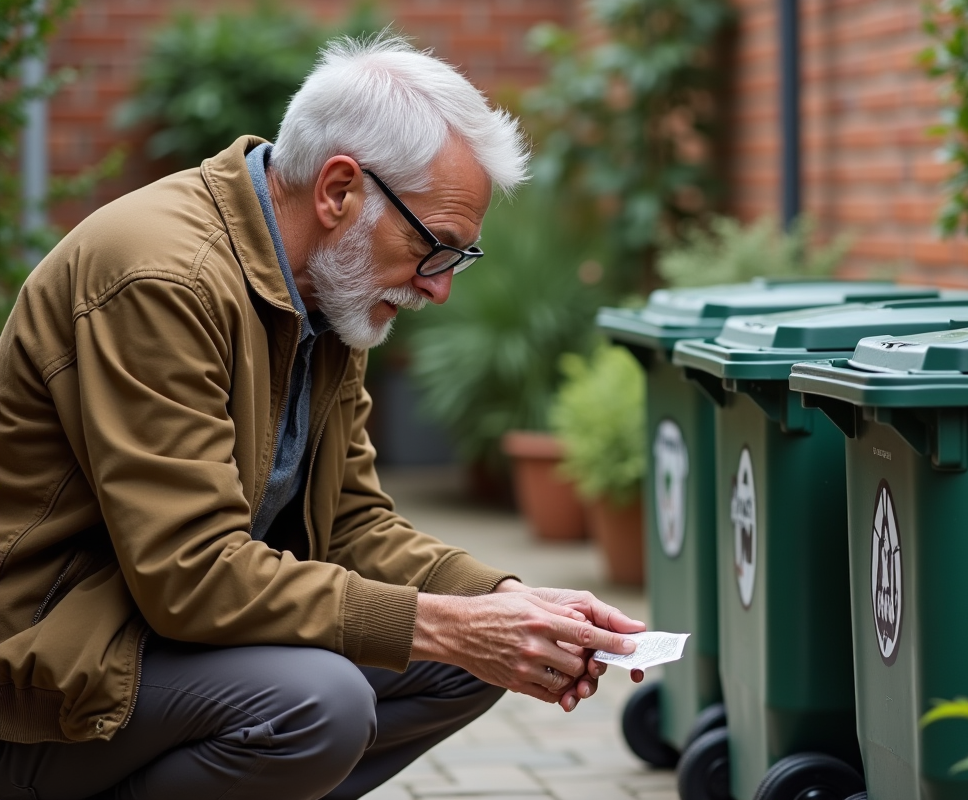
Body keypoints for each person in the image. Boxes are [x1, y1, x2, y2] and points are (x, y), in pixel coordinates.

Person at [0, 33, 645, 800]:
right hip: (45, 669)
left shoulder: (328, 288)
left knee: (469, 662)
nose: (438, 289)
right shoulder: (163, 277)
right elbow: (192, 575)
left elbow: (351, 524)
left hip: (157, 641)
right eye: (434, 247)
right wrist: (450, 623)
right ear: (339, 191)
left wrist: (506, 603)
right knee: (317, 705)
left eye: (456, 259)